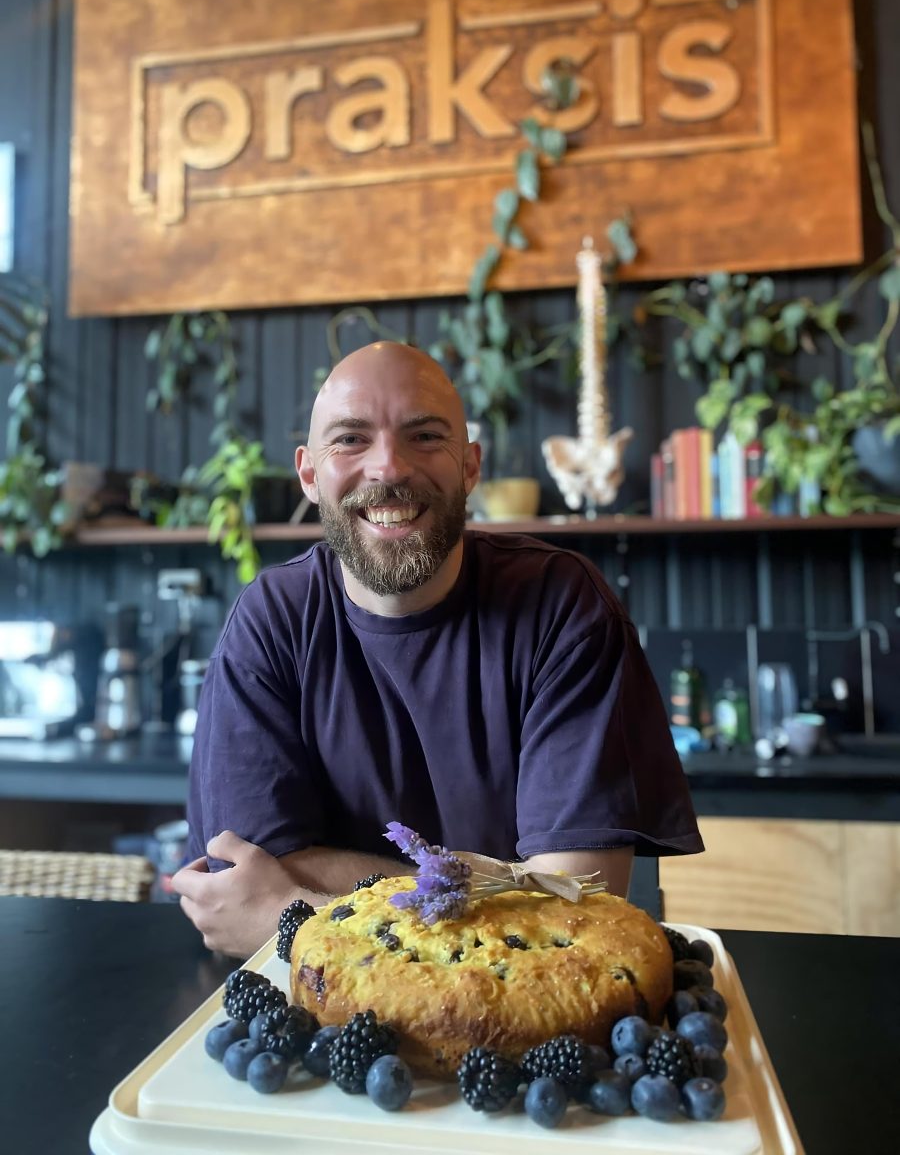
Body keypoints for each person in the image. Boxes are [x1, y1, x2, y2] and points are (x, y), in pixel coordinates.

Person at [173, 341, 702, 957]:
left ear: (470, 466)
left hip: (526, 1017)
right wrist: (502, 887)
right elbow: (241, 881)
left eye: (424, 436)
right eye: (350, 439)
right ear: (310, 475)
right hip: (316, 1013)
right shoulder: (271, 621)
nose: (389, 469)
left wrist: (299, 912)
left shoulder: (562, 605)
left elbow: (571, 911)